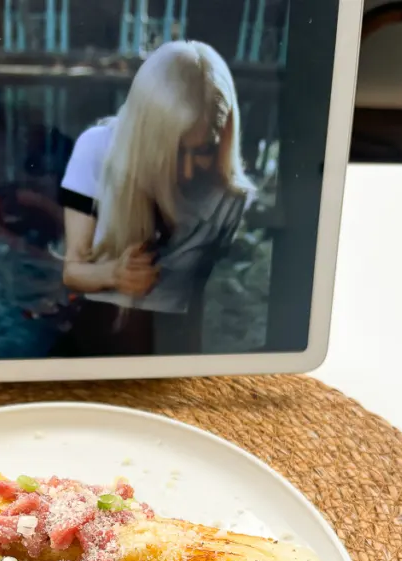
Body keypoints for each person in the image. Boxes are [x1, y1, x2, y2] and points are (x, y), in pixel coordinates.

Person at [55, 40, 253, 357]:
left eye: (203, 150)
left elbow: (200, 295)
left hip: (173, 344)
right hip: (97, 339)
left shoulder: (230, 194)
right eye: (174, 151)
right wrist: (113, 275)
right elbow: (72, 271)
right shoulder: (96, 149)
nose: (187, 172)